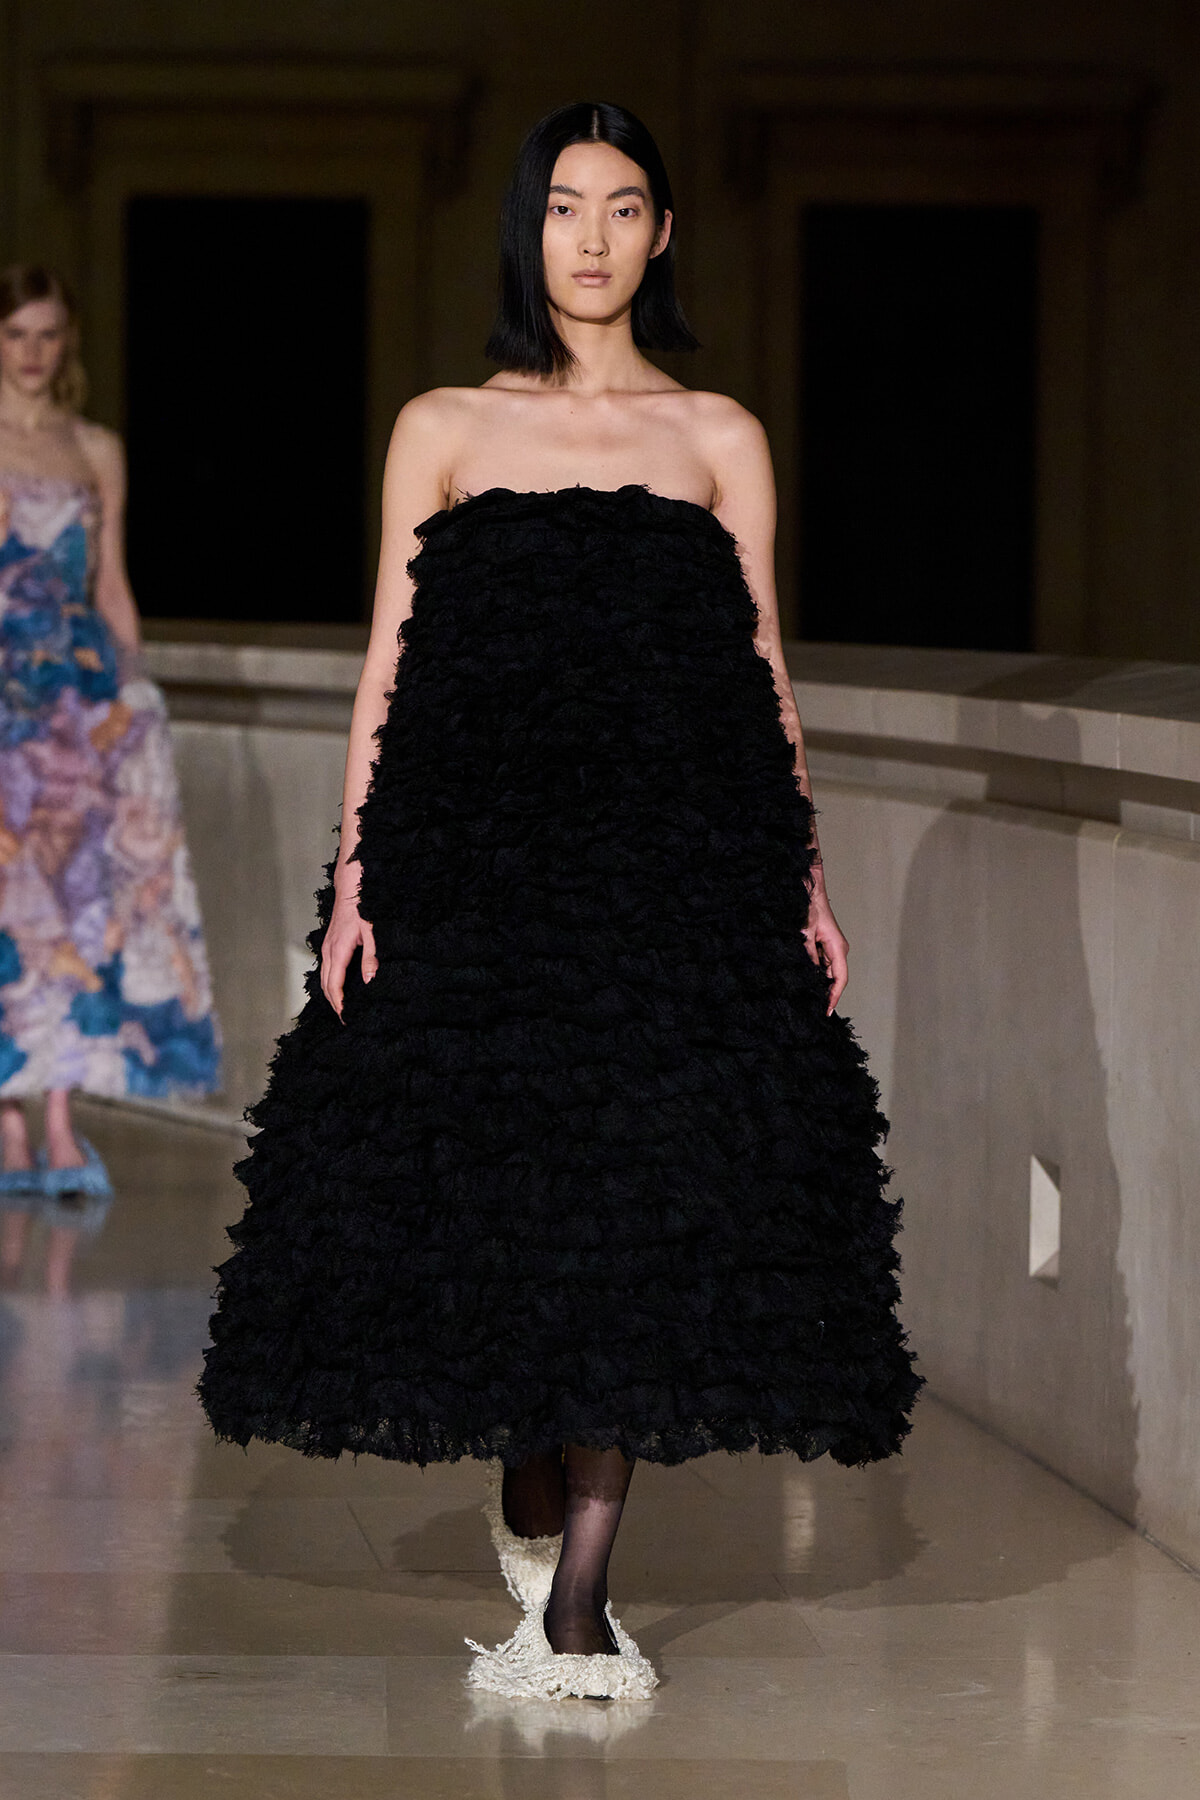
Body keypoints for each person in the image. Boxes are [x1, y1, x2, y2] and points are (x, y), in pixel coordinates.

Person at [199, 102, 921, 1701]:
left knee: (643, 1197)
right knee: (511, 1197)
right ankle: (537, 1498)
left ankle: (582, 1607)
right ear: (527, 230)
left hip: (677, 870)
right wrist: (356, 879)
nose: (593, 238)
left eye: (624, 207)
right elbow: (387, 664)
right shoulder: (443, 427)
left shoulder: (719, 436)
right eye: (565, 207)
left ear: (663, 234)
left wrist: (802, 869)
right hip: (474, 864)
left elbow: (761, 668)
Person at [0, 264, 220, 1276]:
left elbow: (112, 583)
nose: (33, 352)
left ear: (69, 342)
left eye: (48, 334)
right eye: (16, 333)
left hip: (78, 696)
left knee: (80, 902)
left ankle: (56, 1116)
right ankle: (8, 1118)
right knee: (13, 904)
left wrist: (134, 689)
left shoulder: (97, 450)